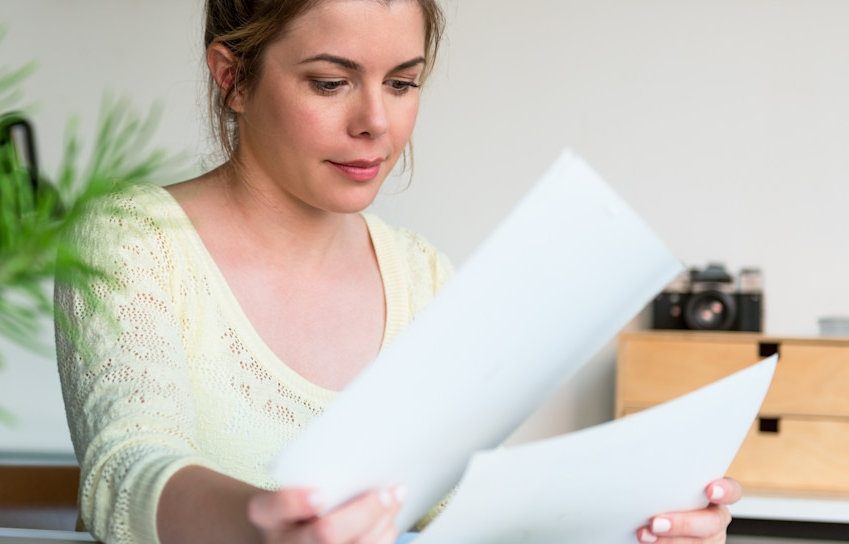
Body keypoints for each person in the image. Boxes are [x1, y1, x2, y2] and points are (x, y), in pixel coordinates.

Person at [54, 1, 741, 543]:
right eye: (330, 83)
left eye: (403, 82)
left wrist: (635, 530)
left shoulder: (424, 278)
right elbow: (126, 469)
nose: (376, 123)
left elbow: (461, 522)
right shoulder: (132, 241)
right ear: (232, 77)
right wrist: (266, 528)